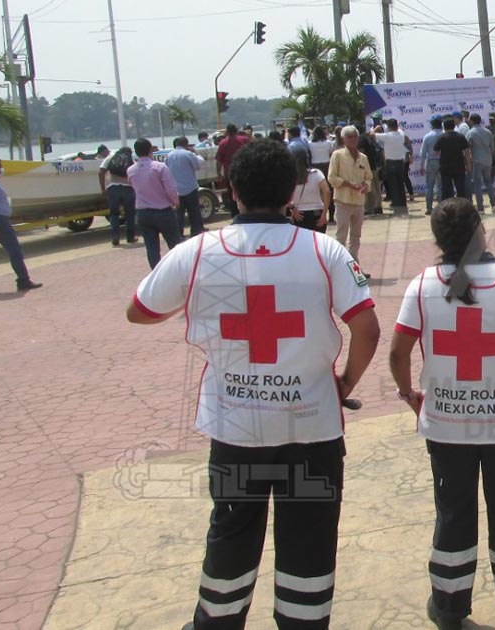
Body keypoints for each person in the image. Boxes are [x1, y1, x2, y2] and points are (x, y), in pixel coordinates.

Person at [127, 139, 380, 630]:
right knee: (309, 539)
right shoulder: (323, 250)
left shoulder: (197, 252)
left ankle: (217, 622)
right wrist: (344, 382)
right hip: (311, 427)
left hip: (236, 428)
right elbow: (366, 328)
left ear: (233, 191)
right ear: (291, 193)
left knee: (232, 532)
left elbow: (139, 311)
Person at [390, 197, 495, 630]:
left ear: (438, 240)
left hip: (447, 428)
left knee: (453, 513)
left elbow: (398, 353)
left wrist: (410, 395)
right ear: (481, 231)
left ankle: (449, 607)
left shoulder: (422, 285)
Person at [127, 138, 181, 269]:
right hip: (163, 211)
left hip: (143, 212)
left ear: (136, 152)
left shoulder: (131, 170)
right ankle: (180, 270)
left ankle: (156, 273)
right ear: (150, 150)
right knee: (175, 246)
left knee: (152, 248)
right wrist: (176, 202)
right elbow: (170, 189)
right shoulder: (159, 167)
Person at [327, 125, 374, 265]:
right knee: (341, 235)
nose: (353, 140)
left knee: (356, 235)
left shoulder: (363, 158)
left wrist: (366, 186)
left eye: (355, 137)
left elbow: (368, 177)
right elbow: (331, 178)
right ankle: (340, 265)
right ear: (343, 139)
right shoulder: (337, 155)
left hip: (359, 201)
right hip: (343, 201)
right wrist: (349, 184)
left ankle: (354, 264)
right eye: (349, 137)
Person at [0, 156, 41, 291]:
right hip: (0, 222)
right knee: (15, 252)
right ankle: (23, 280)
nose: (1, 169)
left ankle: (23, 280)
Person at [166, 137, 207, 237]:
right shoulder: (188, 154)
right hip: (190, 187)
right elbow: (198, 166)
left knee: (179, 213)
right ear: (186, 144)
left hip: (176, 189)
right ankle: (196, 231)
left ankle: (179, 233)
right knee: (194, 211)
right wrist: (196, 153)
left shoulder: (169, 155)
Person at [100, 146, 136, 246]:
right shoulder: (131, 160)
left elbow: (101, 171)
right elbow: (136, 173)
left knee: (114, 214)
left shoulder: (110, 157)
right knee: (130, 214)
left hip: (113, 188)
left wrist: (103, 188)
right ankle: (130, 237)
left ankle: (115, 237)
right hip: (128, 188)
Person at [375, 119, 411, 217]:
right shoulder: (401, 134)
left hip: (390, 163)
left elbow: (371, 135)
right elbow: (401, 131)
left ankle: (397, 209)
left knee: (393, 187)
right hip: (400, 163)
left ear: (388, 127)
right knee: (400, 186)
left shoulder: (386, 136)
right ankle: (403, 207)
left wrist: (376, 128)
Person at [289, 151, 331, 233]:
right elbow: (327, 192)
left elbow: (285, 195)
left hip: (299, 214)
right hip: (317, 213)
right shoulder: (316, 173)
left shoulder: (291, 176)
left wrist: (292, 209)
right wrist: (324, 214)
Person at [216, 124, 251, 217]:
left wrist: (218, 173)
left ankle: (235, 215)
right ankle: (247, 213)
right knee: (246, 192)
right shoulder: (245, 140)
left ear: (227, 131)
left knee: (232, 196)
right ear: (236, 130)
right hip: (244, 172)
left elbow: (219, 160)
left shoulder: (223, 143)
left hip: (230, 173)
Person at [466, 114, 495, 214]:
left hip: (477, 161)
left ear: (471, 121)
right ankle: (494, 204)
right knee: (488, 182)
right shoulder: (488, 131)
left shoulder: (470, 132)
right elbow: (492, 148)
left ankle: (480, 207)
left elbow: (466, 147)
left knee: (477, 184)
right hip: (488, 160)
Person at [435, 117, 471, 202]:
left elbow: (435, 153)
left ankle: (446, 206)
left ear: (444, 127)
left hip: (445, 166)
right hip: (459, 166)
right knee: (460, 188)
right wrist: (468, 165)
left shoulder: (441, 138)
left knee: (446, 189)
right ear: (454, 126)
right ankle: (462, 206)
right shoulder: (460, 137)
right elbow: (467, 152)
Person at [356, 124, 385, 216]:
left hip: (368, 165)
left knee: (370, 187)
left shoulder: (360, 139)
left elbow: (361, 153)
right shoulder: (369, 137)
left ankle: (371, 208)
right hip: (376, 165)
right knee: (377, 187)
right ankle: (379, 206)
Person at [421, 115, 445, 216]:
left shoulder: (427, 136)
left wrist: (421, 166)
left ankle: (429, 208)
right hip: (443, 161)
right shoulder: (444, 135)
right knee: (441, 186)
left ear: (432, 125)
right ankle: (441, 207)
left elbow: (423, 153)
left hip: (431, 162)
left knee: (429, 186)